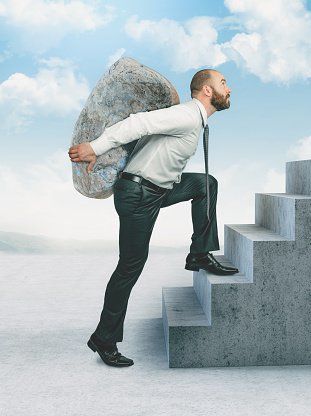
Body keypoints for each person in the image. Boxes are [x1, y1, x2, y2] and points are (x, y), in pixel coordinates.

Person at [68, 69, 238, 367]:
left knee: (206, 184)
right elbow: (138, 123)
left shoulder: (195, 120)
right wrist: (94, 148)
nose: (229, 89)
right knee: (130, 266)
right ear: (207, 91)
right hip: (137, 195)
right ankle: (104, 339)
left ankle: (199, 253)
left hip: (157, 190)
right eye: (223, 83)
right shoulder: (186, 114)